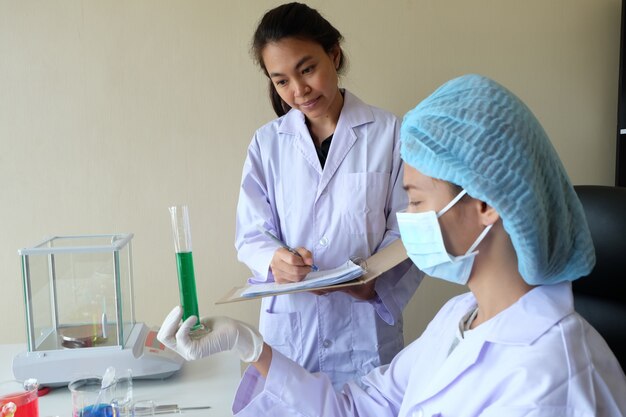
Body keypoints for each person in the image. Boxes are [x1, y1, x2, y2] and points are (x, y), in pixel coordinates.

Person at [158, 74, 626, 416]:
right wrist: (249, 344)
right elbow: (356, 406)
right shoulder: (459, 320)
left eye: (417, 201)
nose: (406, 220)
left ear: (485, 203)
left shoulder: (550, 384)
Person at [232, 2, 422, 389]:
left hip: (365, 337)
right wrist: (276, 261)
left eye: (307, 69)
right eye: (282, 80)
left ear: (333, 54)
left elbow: (410, 227)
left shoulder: (389, 133)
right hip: (291, 337)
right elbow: (251, 234)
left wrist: (375, 283)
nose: (299, 90)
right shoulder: (267, 144)